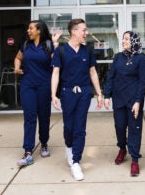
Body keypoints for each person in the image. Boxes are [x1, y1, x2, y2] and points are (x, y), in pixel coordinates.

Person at [51, 18, 104, 181]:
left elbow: (93, 72)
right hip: (67, 93)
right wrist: (53, 94)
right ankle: (69, 147)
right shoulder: (61, 51)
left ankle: (75, 161)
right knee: (69, 126)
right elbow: (56, 73)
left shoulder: (87, 50)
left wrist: (99, 93)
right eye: (83, 30)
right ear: (74, 31)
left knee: (80, 127)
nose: (86, 33)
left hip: (84, 93)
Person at [13, 20, 61, 167]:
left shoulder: (48, 45)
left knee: (44, 116)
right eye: (28, 28)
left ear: (39, 30)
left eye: (31, 28)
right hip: (28, 85)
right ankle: (28, 151)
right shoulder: (26, 45)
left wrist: (55, 45)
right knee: (29, 117)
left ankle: (44, 143)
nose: (28, 31)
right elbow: (18, 58)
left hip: (44, 86)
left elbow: (57, 62)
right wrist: (16, 68)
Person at [103, 31, 145, 177]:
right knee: (120, 127)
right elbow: (110, 77)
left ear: (134, 40)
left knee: (135, 129)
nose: (124, 41)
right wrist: (106, 95)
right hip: (119, 99)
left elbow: (142, 82)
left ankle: (134, 159)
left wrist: (138, 101)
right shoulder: (118, 57)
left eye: (127, 39)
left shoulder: (141, 59)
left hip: (134, 100)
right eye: (123, 39)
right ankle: (122, 148)